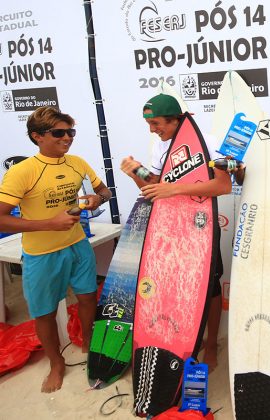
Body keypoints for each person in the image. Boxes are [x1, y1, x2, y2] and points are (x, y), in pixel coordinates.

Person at [0, 106, 112, 393]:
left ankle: (88, 343)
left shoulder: (76, 162)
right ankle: (56, 363)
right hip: (41, 255)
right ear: (37, 136)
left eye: (71, 132)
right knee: (45, 314)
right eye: (59, 133)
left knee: (88, 299)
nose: (67, 138)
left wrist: (96, 199)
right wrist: (50, 222)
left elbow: (104, 191)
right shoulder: (23, 171)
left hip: (77, 246)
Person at [120, 94, 232, 370]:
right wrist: (137, 172)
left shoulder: (210, 142)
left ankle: (211, 344)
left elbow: (223, 186)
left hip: (201, 226)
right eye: (148, 123)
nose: (152, 129)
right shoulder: (161, 147)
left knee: (210, 285)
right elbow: (156, 186)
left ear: (175, 119)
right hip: (170, 228)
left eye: (156, 123)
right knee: (178, 284)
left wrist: (175, 188)